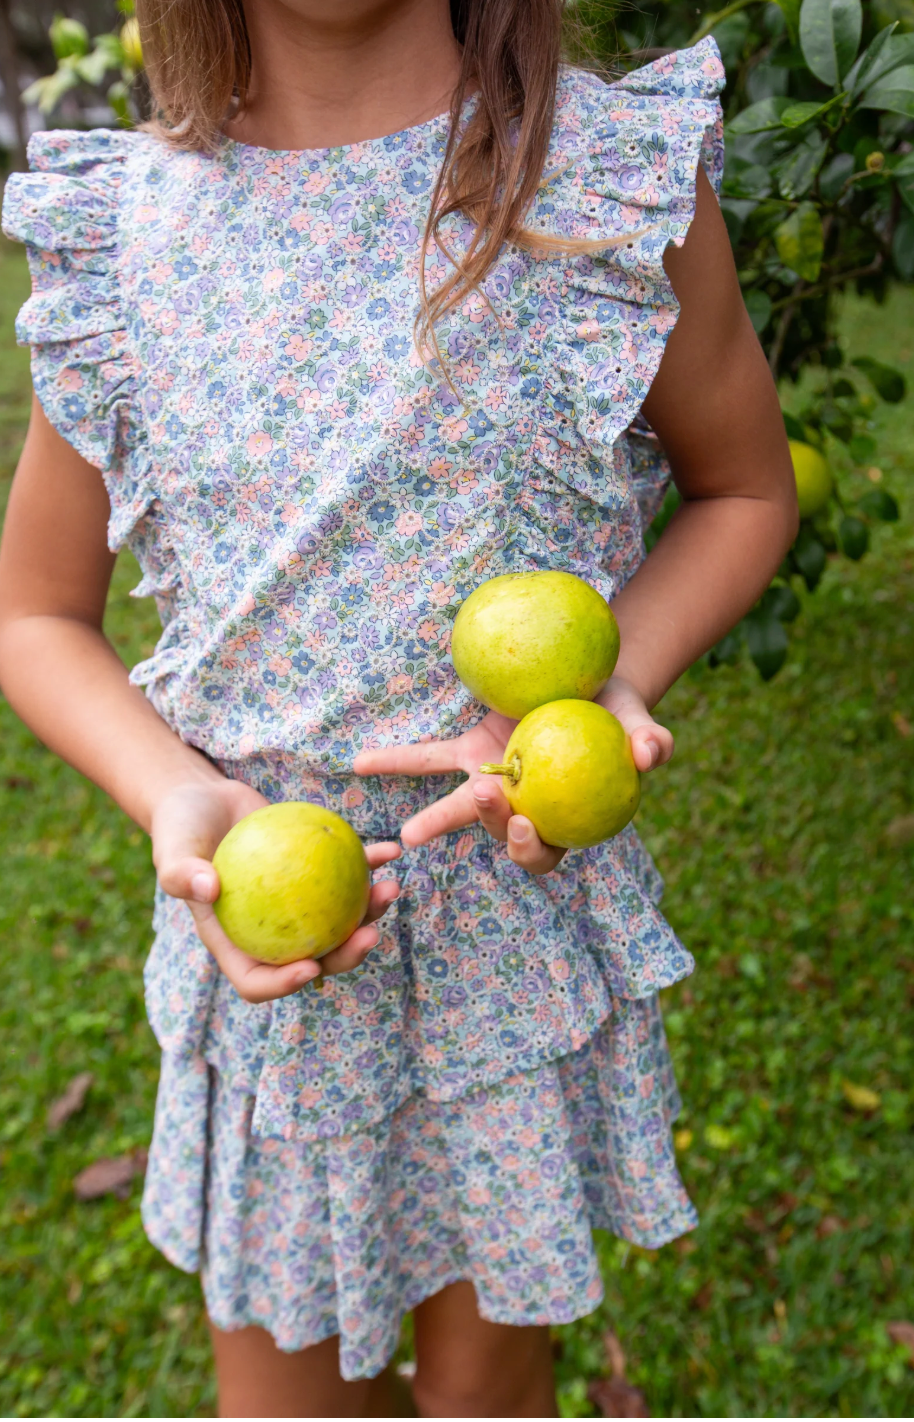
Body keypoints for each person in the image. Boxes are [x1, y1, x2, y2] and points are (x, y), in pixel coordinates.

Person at [0, 0, 798, 1414]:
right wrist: (171, 792)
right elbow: (33, 613)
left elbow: (743, 487)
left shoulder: (599, 179)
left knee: (487, 1387)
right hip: (277, 960)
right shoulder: (128, 234)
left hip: (509, 931)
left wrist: (610, 680)